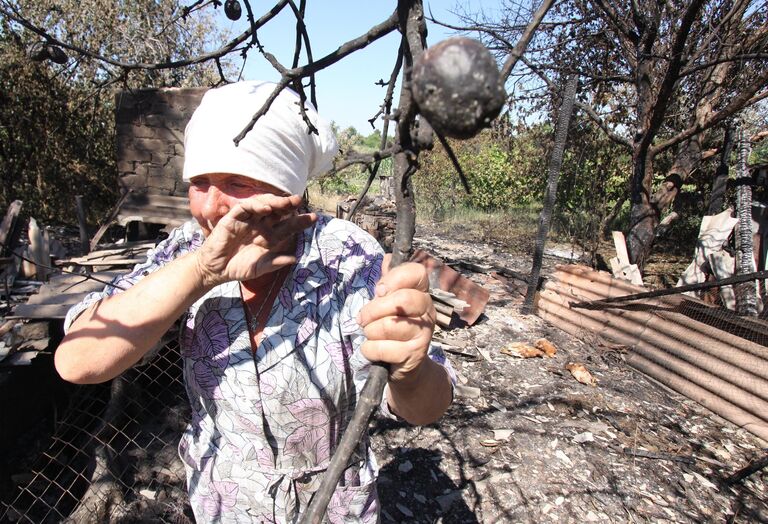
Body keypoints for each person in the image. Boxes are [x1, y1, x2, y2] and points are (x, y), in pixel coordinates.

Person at [56, 81, 454, 523]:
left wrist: (411, 368)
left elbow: (426, 406)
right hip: (220, 502)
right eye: (199, 182)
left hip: (329, 507)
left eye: (236, 181)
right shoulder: (187, 251)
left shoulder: (344, 258)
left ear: (288, 188)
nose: (210, 207)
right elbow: (78, 360)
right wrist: (203, 272)